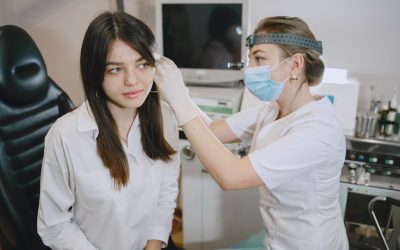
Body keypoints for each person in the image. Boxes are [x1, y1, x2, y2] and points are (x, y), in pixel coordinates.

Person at [154, 16, 349, 250]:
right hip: (276, 239)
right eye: (251, 59)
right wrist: (180, 95)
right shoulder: (273, 110)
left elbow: (231, 176)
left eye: (259, 59)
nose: (251, 69)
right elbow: (213, 130)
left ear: (295, 65)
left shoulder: (318, 129)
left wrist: (178, 101)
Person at [37, 12, 180, 250]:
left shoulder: (165, 116)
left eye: (143, 64)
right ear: (95, 73)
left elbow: (167, 189)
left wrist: (154, 243)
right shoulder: (65, 136)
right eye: (115, 69)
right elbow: (53, 224)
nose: (133, 80)